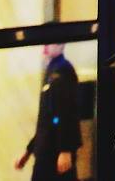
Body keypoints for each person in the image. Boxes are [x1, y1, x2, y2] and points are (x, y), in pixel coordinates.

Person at [14, 44, 79, 179]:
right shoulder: (51, 70)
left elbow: (67, 112)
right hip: (46, 151)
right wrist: (29, 151)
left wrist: (65, 149)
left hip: (54, 153)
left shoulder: (64, 70)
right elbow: (46, 119)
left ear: (61, 45)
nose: (46, 46)